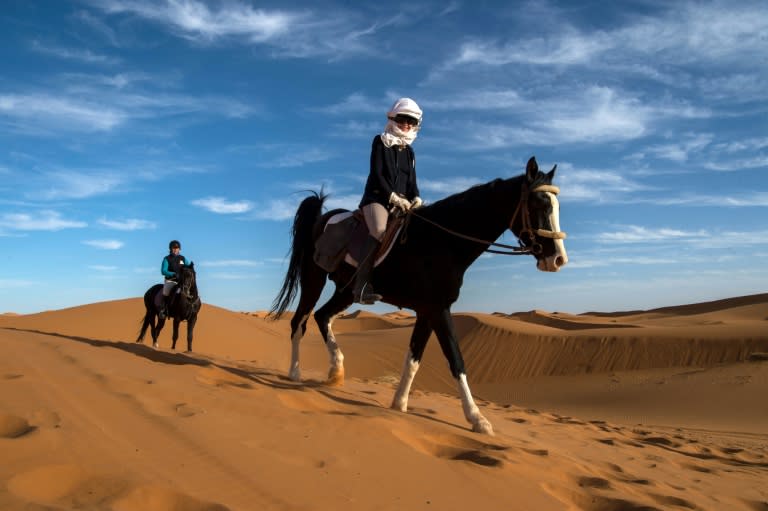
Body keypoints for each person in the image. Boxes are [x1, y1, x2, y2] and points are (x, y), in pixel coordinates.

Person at [355, 97, 424, 304]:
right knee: (378, 231)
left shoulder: (409, 151)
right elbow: (377, 174)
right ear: (393, 118)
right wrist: (392, 196)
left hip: (403, 203)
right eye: (403, 119)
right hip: (377, 199)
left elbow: (412, 180)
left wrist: (416, 197)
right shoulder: (381, 141)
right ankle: (361, 286)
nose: (406, 125)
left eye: (411, 122)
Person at [160, 239, 188, 319]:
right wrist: (173, 274)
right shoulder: (167, 259)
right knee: (166, 291)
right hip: (170, 281)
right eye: (173, 248)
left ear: (179, 249)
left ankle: (192, 308)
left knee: (189, 290)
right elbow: (163, 271)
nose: (175, 249)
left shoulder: (182, 259)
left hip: (181, 281)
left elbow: (188, 265)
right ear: (170, 249)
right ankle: (164, 309)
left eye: (177, 248)